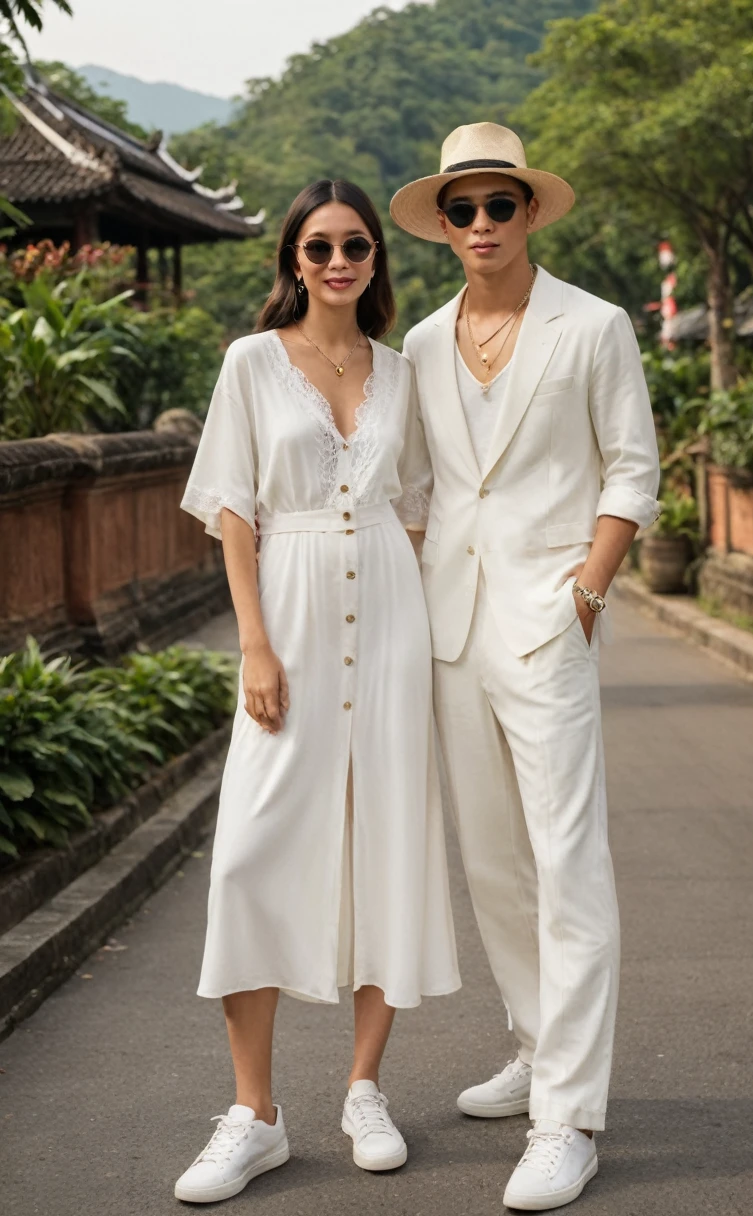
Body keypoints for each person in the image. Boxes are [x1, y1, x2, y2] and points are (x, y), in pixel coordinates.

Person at [390, 123, 661, 1211]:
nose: (483, 224)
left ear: (530, 212)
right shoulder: (415, 342)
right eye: (464, 209)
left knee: (567, 861)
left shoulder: (593, 327)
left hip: (551, 621)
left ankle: (570, 1115)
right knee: (494, 865)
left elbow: (631, 472)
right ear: (443, 223)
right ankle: (533, 1046)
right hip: (453, 627)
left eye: (501, 205)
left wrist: (585, 596)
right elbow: (412, 491)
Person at [175, 179, 459, 1204]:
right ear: (292, 260)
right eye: (318, 246)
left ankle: (364, 1087)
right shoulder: (251, 364)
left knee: (388, 838)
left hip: (388, 613)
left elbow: (421, 500)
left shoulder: (403, 369)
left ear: (378, 260)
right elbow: (232, 507)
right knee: (252, 852)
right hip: (286, 611)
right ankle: (253, 1113)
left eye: (356, 246)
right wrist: (256, 641)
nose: (338, 261)